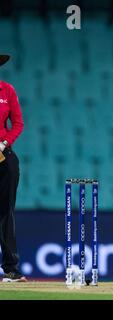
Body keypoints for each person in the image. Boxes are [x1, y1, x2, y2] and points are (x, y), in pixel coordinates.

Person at [0, 54, 26, 282]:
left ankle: (11, 269)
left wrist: (5, 142)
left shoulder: (7, 91)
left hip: (3, 158)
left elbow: (18, 123)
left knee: (5, 213)